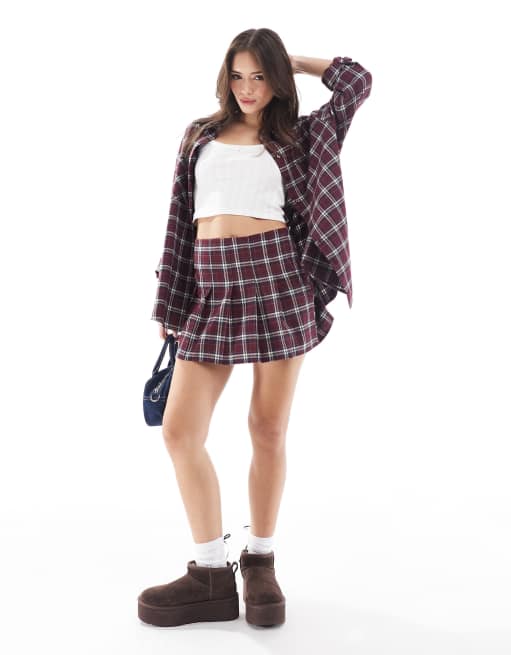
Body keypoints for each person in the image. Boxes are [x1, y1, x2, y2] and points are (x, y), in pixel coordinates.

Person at [138, 28, 372, 628]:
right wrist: (169, 302)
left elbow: (356, 82)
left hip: (276, 280)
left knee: (267, 429)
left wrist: (292, 60)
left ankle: (260, 562)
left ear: (277, 80)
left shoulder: (302, 136)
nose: (248, 88)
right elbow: (179, 221)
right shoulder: (200, 134)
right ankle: (210, 574)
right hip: (210, 289)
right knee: (179, 431)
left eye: (260, 76)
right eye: (239, 76)